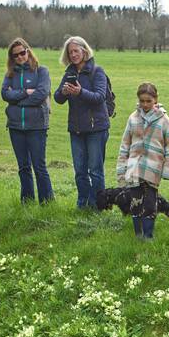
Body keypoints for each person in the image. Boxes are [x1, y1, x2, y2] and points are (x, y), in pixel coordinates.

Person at [53, 36, 110, 209]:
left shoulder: (97, 72)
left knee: (95, 170)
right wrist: (64, 92)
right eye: (70, 52)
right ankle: (83, 203)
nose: (73, 55)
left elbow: (100, 97)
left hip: (96, 128)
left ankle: (99, 205)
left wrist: (80, 92)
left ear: (84, 51)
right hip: (76, 129)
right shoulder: (69, 73)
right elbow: (57, 98)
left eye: (76, 51)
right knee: (80, 171)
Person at [115, 82, 169, 240]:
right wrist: (122, 166)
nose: (145, 104)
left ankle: (148, 235)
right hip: (134, 167)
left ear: (156, 99)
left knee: (149, 203)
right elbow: (125, 144)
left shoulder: (165, 121)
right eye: (142, 101)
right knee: (135, 201)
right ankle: (138, 234)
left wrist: (167, 168)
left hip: (153, 168)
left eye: (149, 101)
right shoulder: (133, 118)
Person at [0, 37, 54, 204]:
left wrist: (17, 101)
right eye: (15, 55)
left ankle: (47, 203)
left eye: (22, 53)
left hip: (37, 126)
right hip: (16, 127)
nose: (20, 57)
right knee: (23, 167)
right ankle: (27, 203)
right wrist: (25, 92)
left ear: (28, 52)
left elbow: (41, 94)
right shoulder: (10, 75)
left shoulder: (41, 71)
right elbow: (4, 94)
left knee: (39, 167)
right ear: (12, 58)